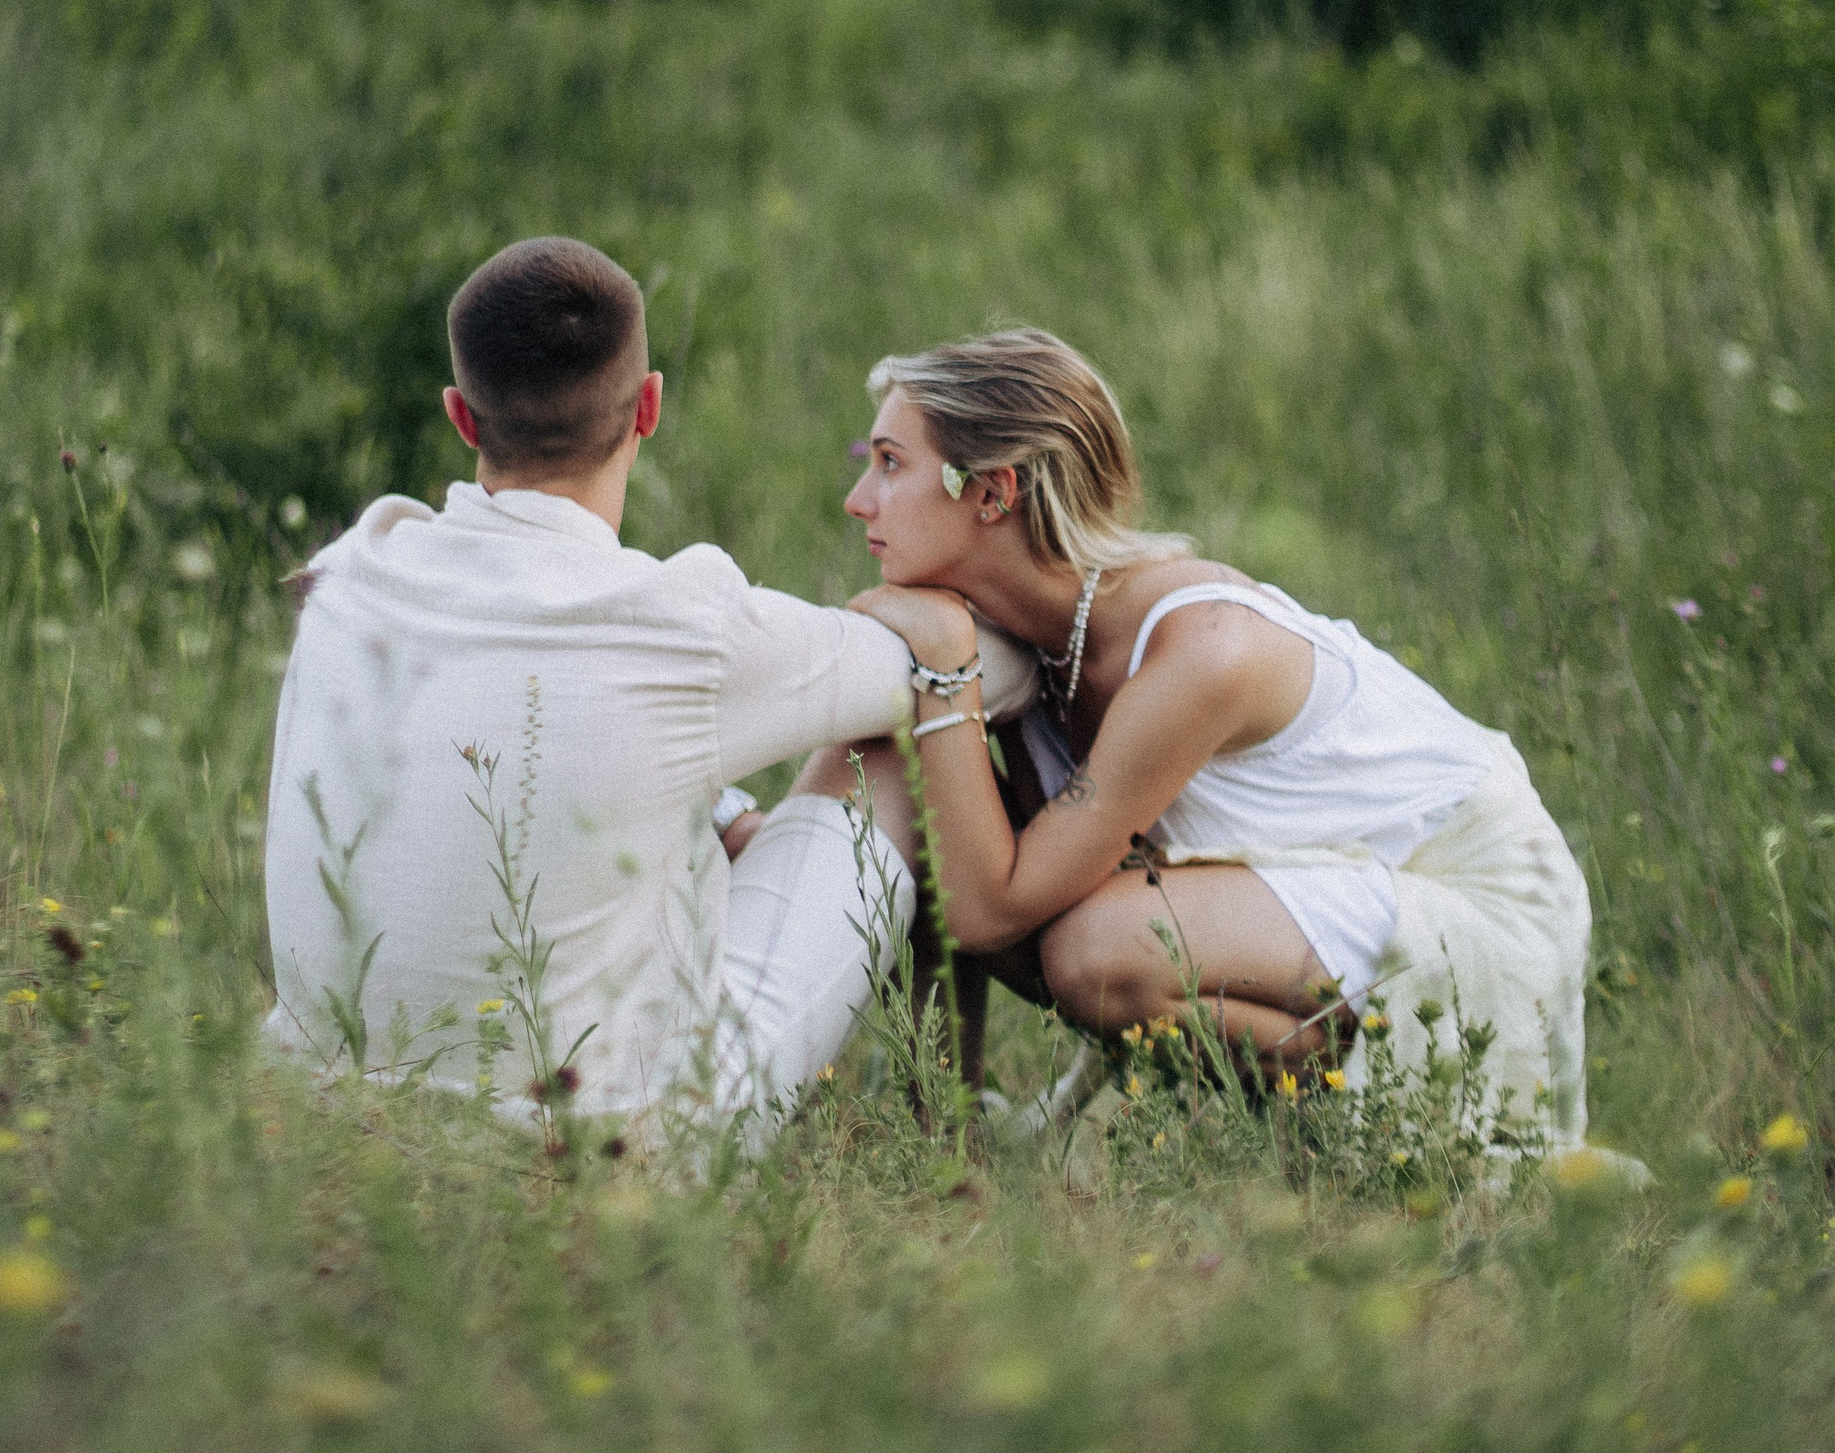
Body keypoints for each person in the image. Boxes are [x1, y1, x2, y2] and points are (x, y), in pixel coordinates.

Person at [262, 237, 1031, 1132]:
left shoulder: (354, 569)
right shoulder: (680, 623)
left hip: (328, 1103)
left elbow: (506, 719)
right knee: (900, 746)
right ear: (650, 406)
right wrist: (943, 629)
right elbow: (993, 672)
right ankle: (953, 1124)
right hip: (602, 1147)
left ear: (461, 418)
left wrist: (713, 808)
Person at [795, 326, 1595, 1153]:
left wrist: (943, 658)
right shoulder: (1028, 637)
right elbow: (965, 864)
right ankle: (947, 1149)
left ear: (994, 492)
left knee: (1096, 953)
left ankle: (1369, 1104)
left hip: (1477, 900)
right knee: (939, 783)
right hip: (1330, 892)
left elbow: (990, 908)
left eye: (890, 463)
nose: (860, 499)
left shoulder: (1203, 649)